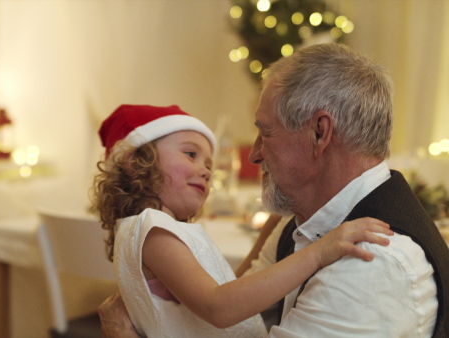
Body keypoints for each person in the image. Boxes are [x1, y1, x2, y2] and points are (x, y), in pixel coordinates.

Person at [97, 43, 449, 337]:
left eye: (265, 132)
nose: (253, 154)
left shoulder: (373, 264)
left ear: (319, 133)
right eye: (190, 154)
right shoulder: (301, 226)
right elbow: (230, 302)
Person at [91, 103, 393, 337]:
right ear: (136, 162)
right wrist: (320, 251)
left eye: (208, 163)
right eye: (190, 154)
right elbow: (219, 306)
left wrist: (268, 233)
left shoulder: (155, 230)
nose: (206, 170)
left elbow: (229, 289)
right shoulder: (153, 231)